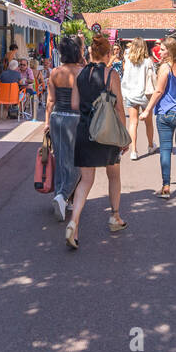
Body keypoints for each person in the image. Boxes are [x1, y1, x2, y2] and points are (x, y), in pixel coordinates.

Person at [66, 35, 127, 249]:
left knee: (86, 180)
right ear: (108, 54)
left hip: (85, 130)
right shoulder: (112, 74)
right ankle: (115, 216)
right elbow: (119, 107)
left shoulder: (81, 74)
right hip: (107, 132)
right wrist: (124, 134)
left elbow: (74, 104)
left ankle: (74, 222)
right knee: (114, 175)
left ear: (91, 53)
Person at [145, 37, 176, 198]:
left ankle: (166, 186)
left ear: (170, 50)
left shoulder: (165, 68)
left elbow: (159, 91)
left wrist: (147, 110)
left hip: (167, 112)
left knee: (165, 149)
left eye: (162, 49)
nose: (159, 52)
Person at [45, 36, 83, 223]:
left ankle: (62, 197)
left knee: (61, 158)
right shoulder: (82, 72)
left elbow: (50, 101)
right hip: (77, 118)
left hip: (57, 118)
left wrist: (46, 123)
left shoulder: (54, 72)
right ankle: (63, 195)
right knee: (78, 161)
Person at [121, 38, 158, 159]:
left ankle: (134, 151)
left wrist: (124, 93)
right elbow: (153, 78)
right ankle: (150, 145)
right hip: (145, 95)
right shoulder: (148, 62)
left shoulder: (128, 60)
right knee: (148, 123)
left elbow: (125, 78)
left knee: (133, 122)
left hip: (131, 94)